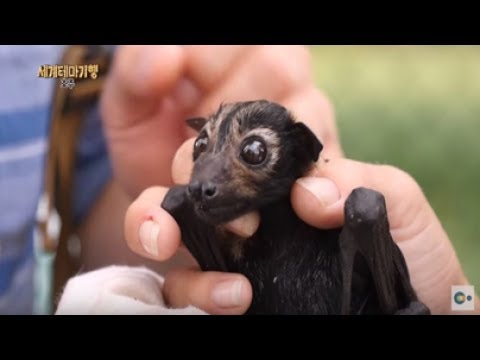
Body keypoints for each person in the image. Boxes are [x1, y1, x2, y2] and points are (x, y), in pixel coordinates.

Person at [56, 46, 479, 315]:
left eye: (253, 153)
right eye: (203, 145)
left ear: (301, 152)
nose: (206, 174)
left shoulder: (70, 70)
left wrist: (461, 302)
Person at [1, 45, 337, 314]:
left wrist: (167, 227)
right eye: (202, 145)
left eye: (251, 151)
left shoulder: (58, 64)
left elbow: (57, 78)